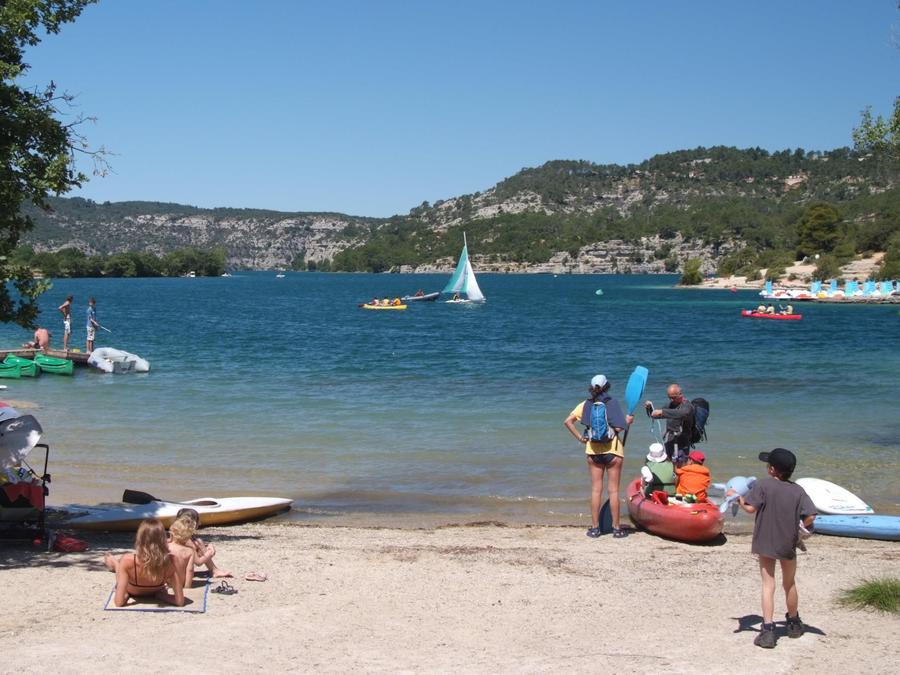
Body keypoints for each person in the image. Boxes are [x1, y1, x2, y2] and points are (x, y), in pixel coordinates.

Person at [729, 448, 817, 649]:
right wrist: (799, 527)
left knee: (768, 585)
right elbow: (811, 516)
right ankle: (793, 624)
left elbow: (750, 508)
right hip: (788, 542)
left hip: (765, 541)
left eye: (768, 464)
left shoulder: (763, 485)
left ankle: (768, 630)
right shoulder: (798, 490)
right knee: (789, 583)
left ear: (772, 469)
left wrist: (738, 498)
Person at [564, 374, 634, 539]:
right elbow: (619, 427)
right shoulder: (612, 402)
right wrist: (628, 421)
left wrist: (581, 438)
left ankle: (595, 529)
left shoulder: (585, 404)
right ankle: (616, 529)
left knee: (596, 490)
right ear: (607, 386)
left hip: (593, 452)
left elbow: (568, 421)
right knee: (613, 491)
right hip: (613, 452)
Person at [103, 518, 185, 607]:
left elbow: (118, 602)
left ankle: (115, 563)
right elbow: (180, 601)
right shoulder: (172, 560)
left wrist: (125, 594)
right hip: (155, 590)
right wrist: (162, 596)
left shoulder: (127, 560)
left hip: (132, 591)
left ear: (140, 538)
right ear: (163, 538)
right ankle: (115, 563)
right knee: (123, 565)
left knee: (121, 567)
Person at [175, 507, 232, 579]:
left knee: (199, 542)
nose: (200, 523)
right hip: (178, 576)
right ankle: (214, 570)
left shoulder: (178, 536)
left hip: (174, 571)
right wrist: (210, 552)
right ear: (193, 523)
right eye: (198, 521)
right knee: (199, 542)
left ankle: (214, 570)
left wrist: (207, 546)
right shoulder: (187, 541)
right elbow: (198, 562)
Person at [645, 384, 694, 463]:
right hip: (669, 439)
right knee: (668, 462)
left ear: (680, 394)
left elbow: (681, 413)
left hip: (682, 441)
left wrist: (663, 412)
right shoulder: (670, 404)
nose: (671, 400)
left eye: (673, 397)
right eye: (669, 397)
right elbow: (656, 415)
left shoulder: (687, 406)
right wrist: (650, 408)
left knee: (680, 464)